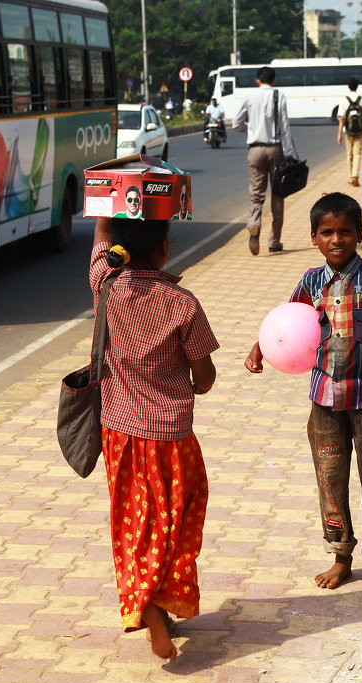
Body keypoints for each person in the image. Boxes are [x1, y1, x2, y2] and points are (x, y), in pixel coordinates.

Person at [245, 192, 362, 592]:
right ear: (314, 237)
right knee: (330, 479)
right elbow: (286, 323)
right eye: (326, 233)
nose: (336, 240)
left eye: (344, 231)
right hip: (324, 400)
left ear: (358, 233)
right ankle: (341, 556)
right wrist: (258, 348)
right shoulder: (310, 280)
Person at [90, 216, 219, 660]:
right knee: (177, 521)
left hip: (120, 434)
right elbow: (204, 375)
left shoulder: (105, 286)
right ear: (164, 248)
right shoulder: (182, 304)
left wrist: (112, 199)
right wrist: (196, 384)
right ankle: (163, 602)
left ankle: (144, 604)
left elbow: (101, 239)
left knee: (133, 522)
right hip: (172, 437)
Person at [232, 65, 296, 256]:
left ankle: (254, 224)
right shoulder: (279, 96)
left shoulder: (250, 96)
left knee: (256, 194)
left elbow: (236, 123)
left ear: (257, 80)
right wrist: (289, 153)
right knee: (278, 194)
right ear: (274, 81)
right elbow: (285, 127)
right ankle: (274, 241)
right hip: (276, 149)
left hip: (255, 150)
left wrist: (251, 129)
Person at [337, 77, 362, 187]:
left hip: (348, 131)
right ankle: (355, 175)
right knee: (357, 154)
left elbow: (342, 118)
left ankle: (350, 177)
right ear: (357, 86)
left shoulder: (344, 100)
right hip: (360, 131)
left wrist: (339, 134)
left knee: (349, 154)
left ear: (348, 86)